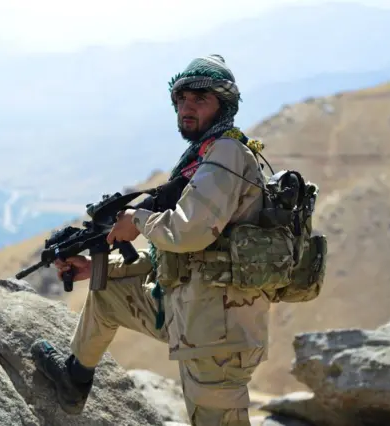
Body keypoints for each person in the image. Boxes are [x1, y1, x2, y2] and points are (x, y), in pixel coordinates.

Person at [31, 54, 270, 426]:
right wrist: (96, 266)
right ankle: (74, 380)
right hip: (191, 313)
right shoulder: (204, 155)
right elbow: (175, 253)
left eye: (200, 100)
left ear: (223, 106)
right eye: (182, 100)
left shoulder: (226, 153)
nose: (187, 108)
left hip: (220, 330)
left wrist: (138, 221)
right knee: (106, 293)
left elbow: (187, 232)